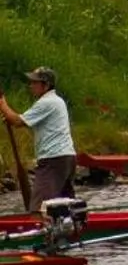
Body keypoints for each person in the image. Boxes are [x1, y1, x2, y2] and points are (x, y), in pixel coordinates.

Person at [0, 67, 75, 211]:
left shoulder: (47, 103)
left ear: (46, 85)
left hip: (53, 159)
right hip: (67, 158)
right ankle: (68, 230)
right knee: (64, 205)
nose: (31, 86)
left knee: (39, 208)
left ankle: (37, 230)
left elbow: (18, 121)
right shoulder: (57, 101)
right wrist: (10, 116)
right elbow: (22, 122)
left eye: (35, 82)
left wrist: (3, 104)